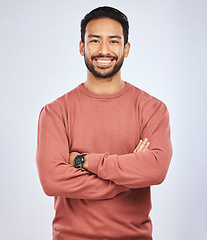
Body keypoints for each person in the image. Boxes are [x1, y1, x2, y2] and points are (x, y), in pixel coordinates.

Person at [36, 6, 172, 240]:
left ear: (126, 49)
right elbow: (52, 180)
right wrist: (125, 179)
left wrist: (83, 160)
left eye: (114, 42)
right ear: (82, 47)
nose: (104, 51)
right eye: (95, 41)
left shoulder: (153, 109)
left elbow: (156, 169)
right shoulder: (55, 112)